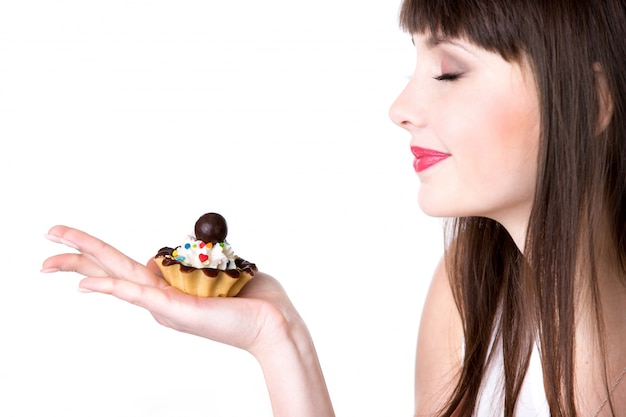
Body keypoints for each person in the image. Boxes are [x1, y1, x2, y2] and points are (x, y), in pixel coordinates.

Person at [42, 0, 626, 416]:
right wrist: (279, 339)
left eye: (448, 71)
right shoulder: (468, 288)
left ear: (589, 104)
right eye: (414, 68)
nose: (400, 107)